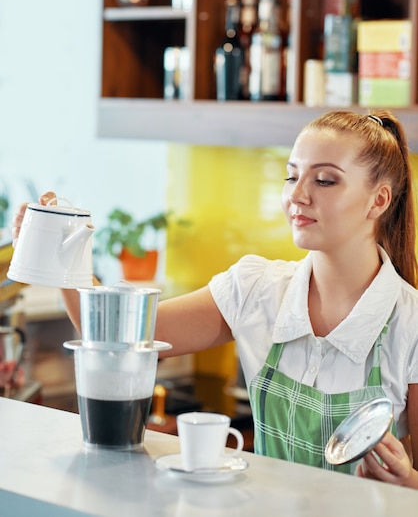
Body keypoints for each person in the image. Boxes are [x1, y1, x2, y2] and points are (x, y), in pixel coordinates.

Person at [12, 109, 418, 488]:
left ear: (378, 200)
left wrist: (409, 486)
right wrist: (62, 252)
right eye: (292, 177)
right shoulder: (255, 288)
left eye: (324, 180)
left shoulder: (411, 321)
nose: (298, 196)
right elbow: (114, 335)